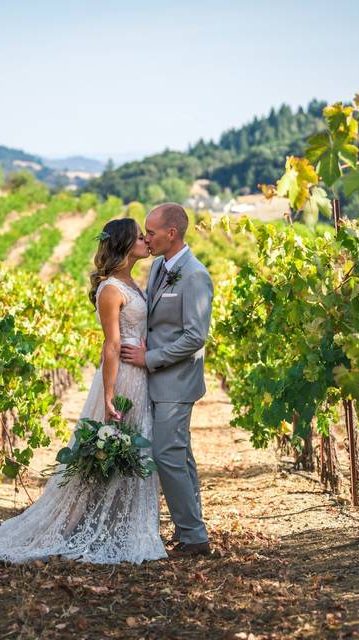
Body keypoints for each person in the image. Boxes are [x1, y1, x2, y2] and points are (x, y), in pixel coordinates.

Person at [0, 217, 166, 565]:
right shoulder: (111, 289)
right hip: (124, 374)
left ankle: (125, 525)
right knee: (113, 446)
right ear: (126, 245)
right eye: (139, 236)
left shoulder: (132, 282)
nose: (145, 239)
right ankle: (80, 526)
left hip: (138, 371)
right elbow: (111, 345)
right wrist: (109, 393)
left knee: (135, 446)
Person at [121, 202, 213, 557]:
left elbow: (195, 336)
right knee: (180, 455)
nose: (146, 237)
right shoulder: (159, 265)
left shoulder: (194, 275)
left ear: (171, 234)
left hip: (176, 379)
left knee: (166, 454)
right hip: (155, 378)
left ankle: (192, 536)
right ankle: (192, 530)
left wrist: (150, 358)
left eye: (152, 232)